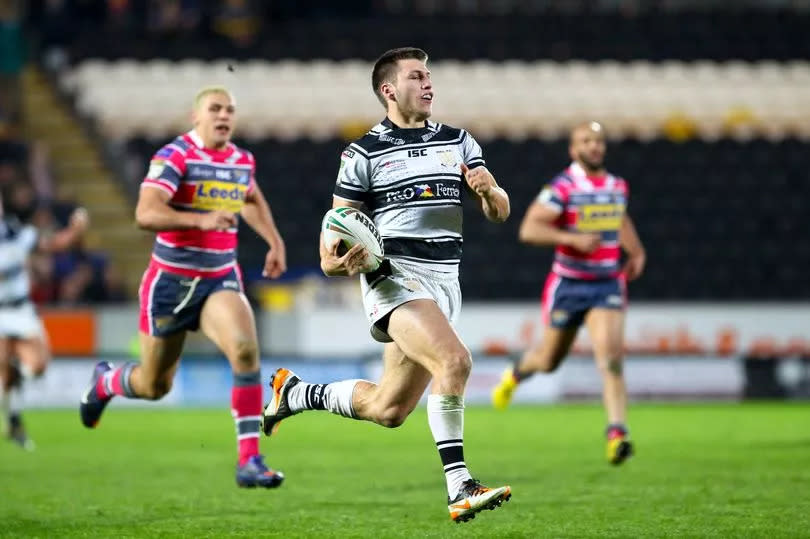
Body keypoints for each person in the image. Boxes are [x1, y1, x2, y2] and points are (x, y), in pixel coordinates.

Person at [261, 47, 512, 523]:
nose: (429, 83)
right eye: (417, 76)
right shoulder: (362, 153)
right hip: (394, 279)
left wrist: (490, 191)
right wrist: (337, 264)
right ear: (389, 90)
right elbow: (336, 233)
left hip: (444, 282)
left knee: (388, 408)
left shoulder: (459, 141)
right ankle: (460, 486)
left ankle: (294, 393)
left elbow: (499, 212)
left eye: (430, 75)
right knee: (455, 361)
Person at [79, 86, 288, 488]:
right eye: (215, 109)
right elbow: (146, 212)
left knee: (245, 350)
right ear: (196, 116)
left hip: (219, 277)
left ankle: (249, 461)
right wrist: (201, 221)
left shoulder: (241, 160)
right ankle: (105, 381)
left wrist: (274, 241)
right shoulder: (175, 156)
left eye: (230, 109)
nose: (224, 115)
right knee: (154, 385)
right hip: (171, 282)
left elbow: (249, 197)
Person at [491, 121, 646, 465]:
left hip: (606, 282)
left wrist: (635, 252)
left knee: (611, 357)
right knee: (548, 361)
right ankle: (516, 372)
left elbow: (618, 219)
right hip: (570, 284)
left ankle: (617, 433)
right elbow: (530, 228)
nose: (595, 146)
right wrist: (572, 239)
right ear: (574, 150)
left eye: (599, 141)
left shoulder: (617, 186)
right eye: (587, 141)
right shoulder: (562, 187)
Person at [0, 196, 89, 450]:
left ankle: (14, 406)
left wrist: (75, 230)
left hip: (21, 309)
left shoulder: (14, 231)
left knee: (37, 366)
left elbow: (52, 244)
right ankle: (14, 421)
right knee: (4, 367)